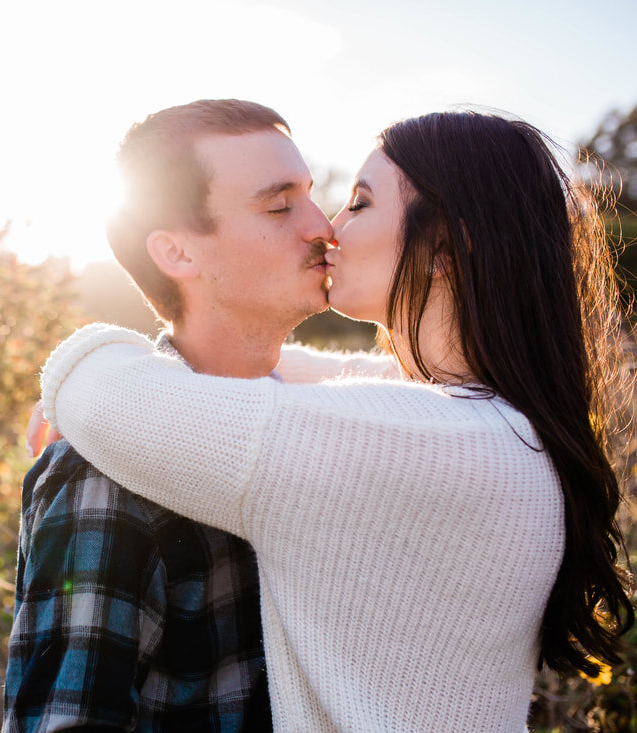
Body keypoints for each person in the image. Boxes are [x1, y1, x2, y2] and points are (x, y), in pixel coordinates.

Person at [38, 111, 634, 732]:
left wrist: (88, 363)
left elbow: (115, 404)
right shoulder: (495, 424)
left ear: (445, 248)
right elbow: (318, 380)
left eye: (359, 202)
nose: (329, 228)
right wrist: (145, 364)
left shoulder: (424, 442)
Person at [3, 99, 392, 732]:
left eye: (311, 196)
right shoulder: (107, 471)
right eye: (278, 205)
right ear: (179, 254)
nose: (323, 226)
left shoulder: (332, 429)